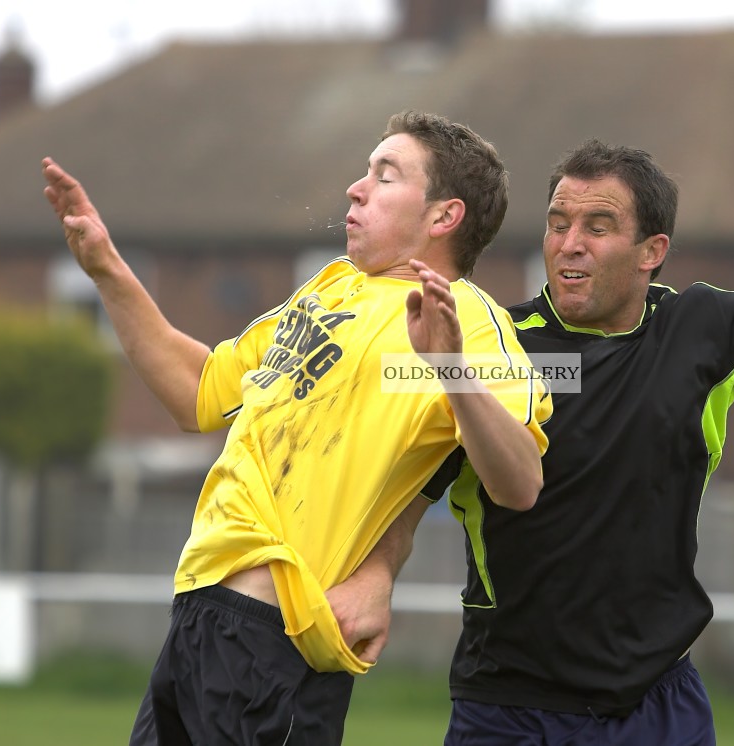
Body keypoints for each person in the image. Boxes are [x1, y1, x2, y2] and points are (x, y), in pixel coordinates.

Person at [338, 105, 734, 744]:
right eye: (558, 225)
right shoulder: (493, 344)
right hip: (509, 706)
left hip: (657, 704)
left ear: (652, 252)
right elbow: (415, 485)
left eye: (598, 225)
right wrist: (376, 574)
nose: (569, 243)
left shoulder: (703, 330)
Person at [41, 110, 551, 746]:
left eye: (384, 175)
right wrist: (108, 271)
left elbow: (520, 482)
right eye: (365, 171)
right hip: (199, 611)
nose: (356, 188)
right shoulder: (331, 287)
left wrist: (449, 369)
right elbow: (198, 393)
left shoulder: (469, 321)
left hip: (276, 639)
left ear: (443, 217)